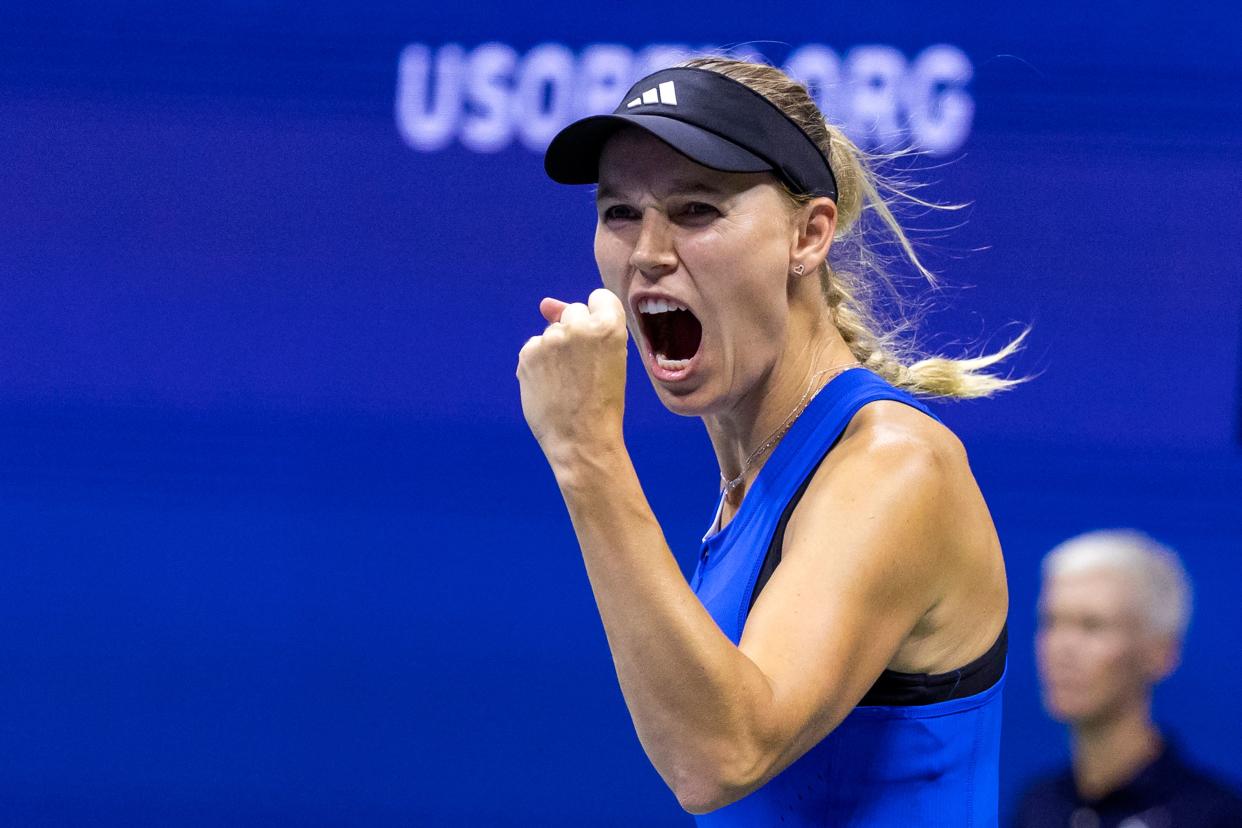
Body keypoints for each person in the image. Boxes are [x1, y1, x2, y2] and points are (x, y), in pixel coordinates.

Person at [517, 57, 1023, 825]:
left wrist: (587, 454)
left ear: (809, 234)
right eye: (620, 212)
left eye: (694, 210)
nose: (648, 251)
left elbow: (720, 758)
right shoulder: (752, 484)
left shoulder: (894, 466)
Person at [1014, 530, 1242, 828]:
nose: (1062, 648)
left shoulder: (1214, 817)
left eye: (1092, 625)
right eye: (1051, 621)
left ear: (1161, 652)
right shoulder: (1037, 808)